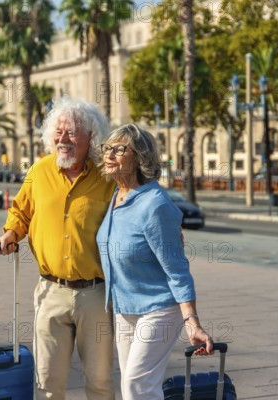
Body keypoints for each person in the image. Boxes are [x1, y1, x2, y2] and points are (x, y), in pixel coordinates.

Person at [0, 97, 116, 399]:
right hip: (51, 292)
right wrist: (11, 233)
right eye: (58, 132)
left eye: (72, 132)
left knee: (100, 382)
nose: (63, 139)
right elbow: (21, 211)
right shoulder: (40, 171)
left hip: (97, 295)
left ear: (91, 137)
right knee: (47, 384)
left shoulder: (108, 177)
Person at [96, 124, 213, 400]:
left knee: (137, 387)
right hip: (125, 309)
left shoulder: (154, 204)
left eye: (120, 149)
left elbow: (177, 269)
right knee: (133, 387)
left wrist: (192, 322)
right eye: (108, 149)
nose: (110, 155)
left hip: (159, 309)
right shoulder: (117, 196)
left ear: (140, 157)